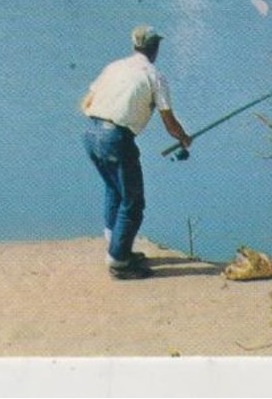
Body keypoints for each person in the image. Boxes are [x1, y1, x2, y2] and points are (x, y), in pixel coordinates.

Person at [79, 24, 191, 279]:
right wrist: (183, 137)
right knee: (133, 202)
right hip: (116, 138)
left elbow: (86, 102)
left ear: (134, 45)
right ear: (155, 48)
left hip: (90, 133)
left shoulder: (114, 67)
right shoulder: (154, 75)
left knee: (114, 190)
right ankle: (119, 262)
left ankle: (117, 248)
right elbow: (169, 122)